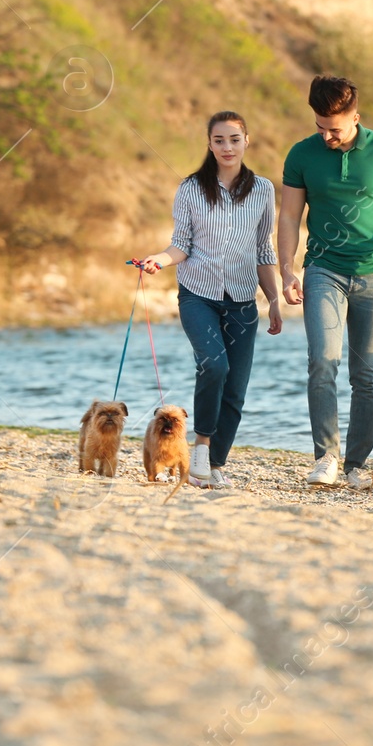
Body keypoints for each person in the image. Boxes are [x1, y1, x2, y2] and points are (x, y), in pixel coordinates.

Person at [279, 75, 373, 489]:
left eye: (335, 128)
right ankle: (326, 457)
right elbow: (289, 216)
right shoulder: (302, 155)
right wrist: (287, 268)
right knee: (322, 362)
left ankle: (357, 465)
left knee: (368, 375)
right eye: (319, 127)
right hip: (323, 270)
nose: (326, 136)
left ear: (355, 118)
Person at [138, 111, 283, 488]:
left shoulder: (264, 190)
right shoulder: (190, 188)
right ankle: (200, 447)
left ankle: (214, 466)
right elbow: (180, 245)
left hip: (242, 299)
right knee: (214, 366)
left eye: (234, 139)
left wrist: (274, 299)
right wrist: (159, 259)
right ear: (209, 144)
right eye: (219, 140)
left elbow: (262, 249)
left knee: (236, 387)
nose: (227, 147)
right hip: (197, 295)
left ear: (247, 141)